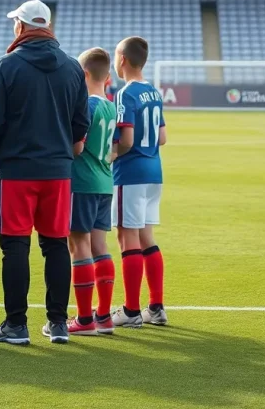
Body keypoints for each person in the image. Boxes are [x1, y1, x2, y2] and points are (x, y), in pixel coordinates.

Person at [0, 0, 89, 346]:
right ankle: (57, 323)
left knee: (14, 247)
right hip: (58, 171)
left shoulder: (6, 65)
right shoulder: (73, 68)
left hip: (16, 171)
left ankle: (16, 325)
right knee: (56, 245)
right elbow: (81, 123)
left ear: (22, 26)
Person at [111, 36, 168, 328]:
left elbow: (128, 140)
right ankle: (156, 307)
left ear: (122, 59)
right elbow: (163, 137)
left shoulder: (125, 94)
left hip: (130, 173)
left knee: (127, 237)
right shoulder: (155, 92)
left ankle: (131, 311)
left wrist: (110, 155)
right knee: (147, 236)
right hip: (154, 172)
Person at [63, 48, 118, 338]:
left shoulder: (86, 106)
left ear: (83, 74)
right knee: (100, 245)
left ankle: (84, 319)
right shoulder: (111, 106)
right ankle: (104, 316)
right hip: (104, 182)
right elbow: (113, 149)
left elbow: (78, 147)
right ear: (106, 76)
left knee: (79, 246)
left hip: (82, 182)